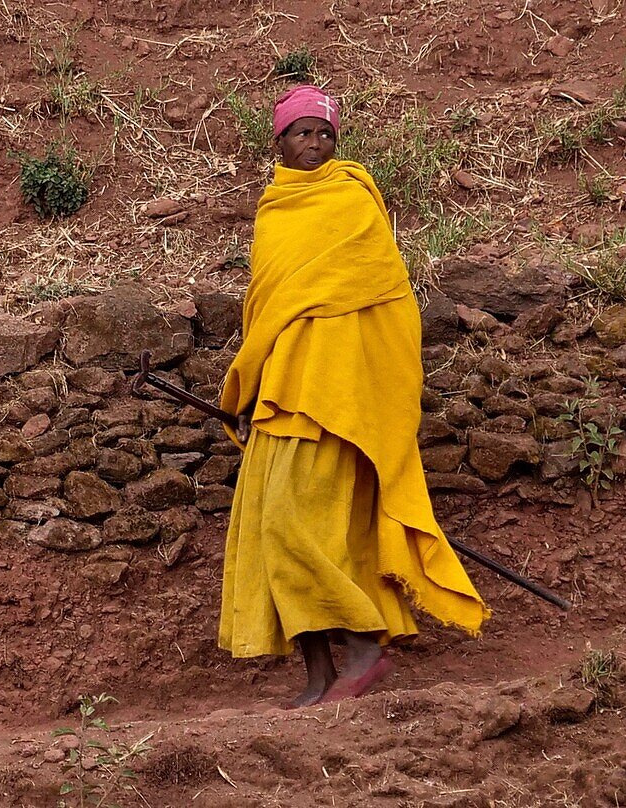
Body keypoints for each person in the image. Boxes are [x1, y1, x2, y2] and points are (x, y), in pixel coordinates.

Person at [218, 85, 490, 708]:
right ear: (278, 142)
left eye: (324, 133)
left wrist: (369, 393)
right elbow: (265, 313)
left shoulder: (352, 202)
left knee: (295, 526)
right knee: (268, 529)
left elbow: (390, 304)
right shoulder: (275, 211)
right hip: (280, 392)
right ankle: (318, 676)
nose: (314, 144)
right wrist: (248, 382)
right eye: (301, 133)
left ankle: (365, 647)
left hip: (335, 398)